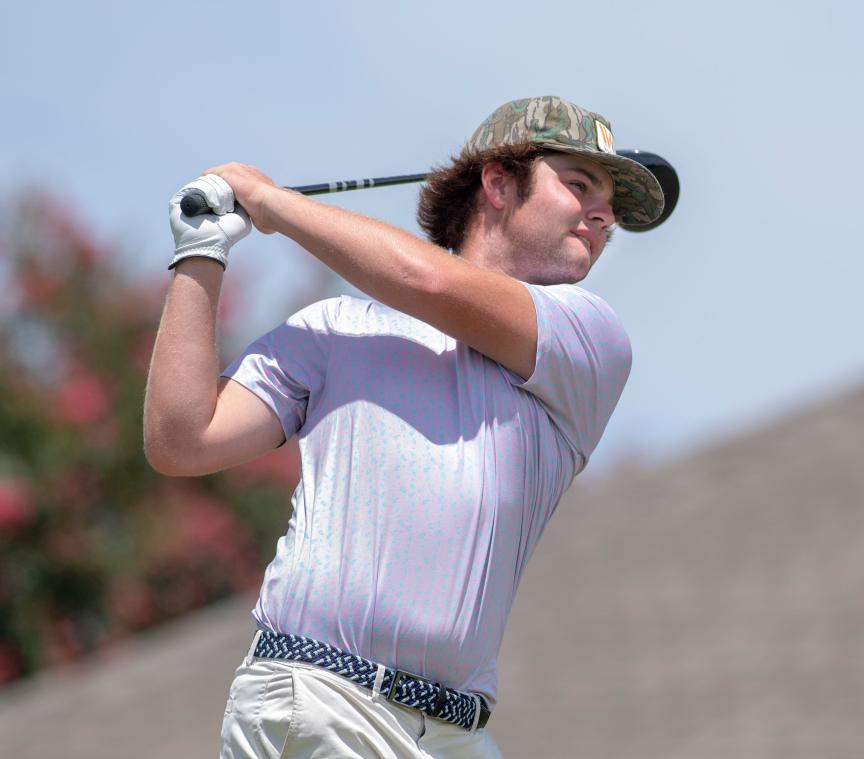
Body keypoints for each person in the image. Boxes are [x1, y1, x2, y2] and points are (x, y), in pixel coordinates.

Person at [144, 95, 666, 759]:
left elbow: (429, 281)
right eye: (580, 184)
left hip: (456, 735)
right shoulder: (334, 333)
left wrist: (271, 203)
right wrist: (202, 249)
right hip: (318, 699)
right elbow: (181, 439)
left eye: (610, 205)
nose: (603, 215)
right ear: (500, 184)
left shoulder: (588, 342)